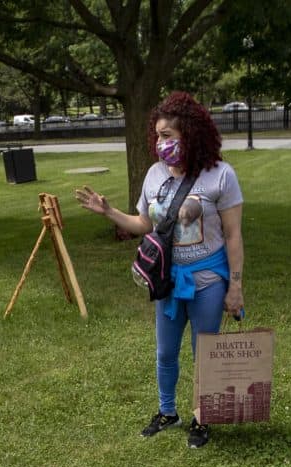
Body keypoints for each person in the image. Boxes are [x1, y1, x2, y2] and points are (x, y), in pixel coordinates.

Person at [75, 91, 245, 448]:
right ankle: (168, 412)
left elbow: (233, 235)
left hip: (208, 279)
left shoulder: (221, 175)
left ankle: (203, 416)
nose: (160, 143)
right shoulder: (154, 175)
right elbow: (143, 223)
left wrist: (236, 286)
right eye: (157, 136)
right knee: (165, 352)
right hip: (167, 279)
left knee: (205, 352)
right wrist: (108, 211)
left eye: (167, 135)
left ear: (190, 133)